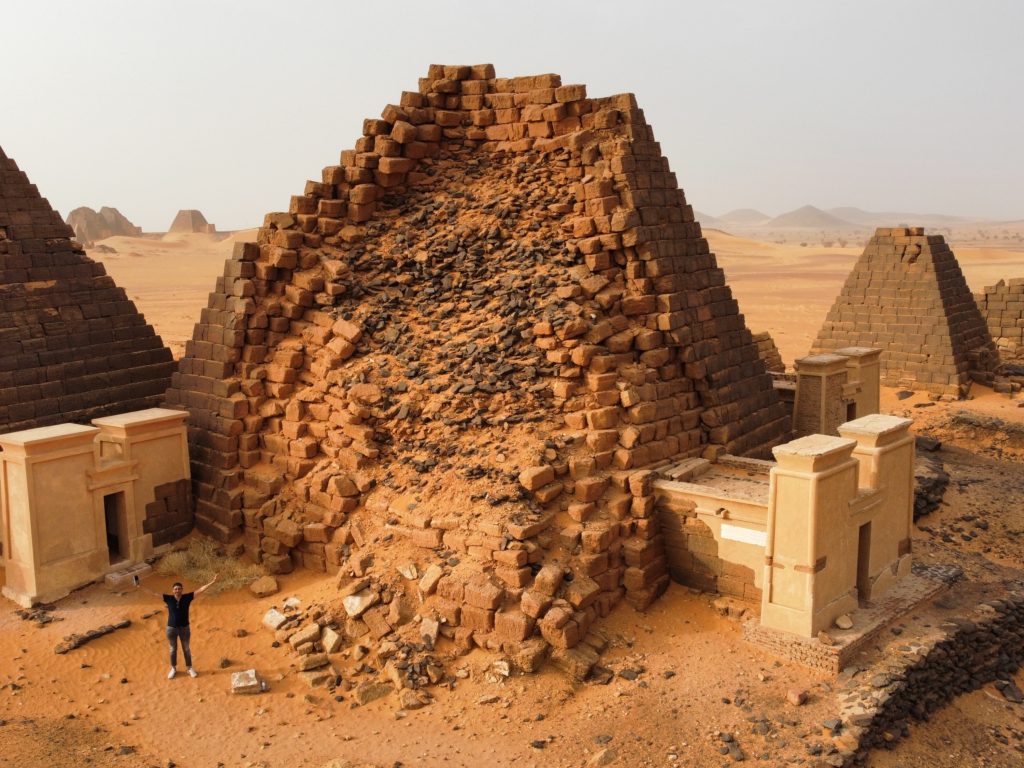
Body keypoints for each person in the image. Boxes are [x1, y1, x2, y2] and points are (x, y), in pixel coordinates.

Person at [137, 574, 218, 679]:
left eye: (179, 589)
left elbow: (201, 589)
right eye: (175, 589)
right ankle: (173, 668)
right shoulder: (168, 598)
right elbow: (153, 594)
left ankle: (189, 668)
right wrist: (140, 587)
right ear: (172, 590)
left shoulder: (187, 597)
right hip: (171, 629)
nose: (177, 590)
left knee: (186, 649)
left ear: (182, 590)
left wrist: (213, 582)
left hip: (184, 628)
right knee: (172, 649)